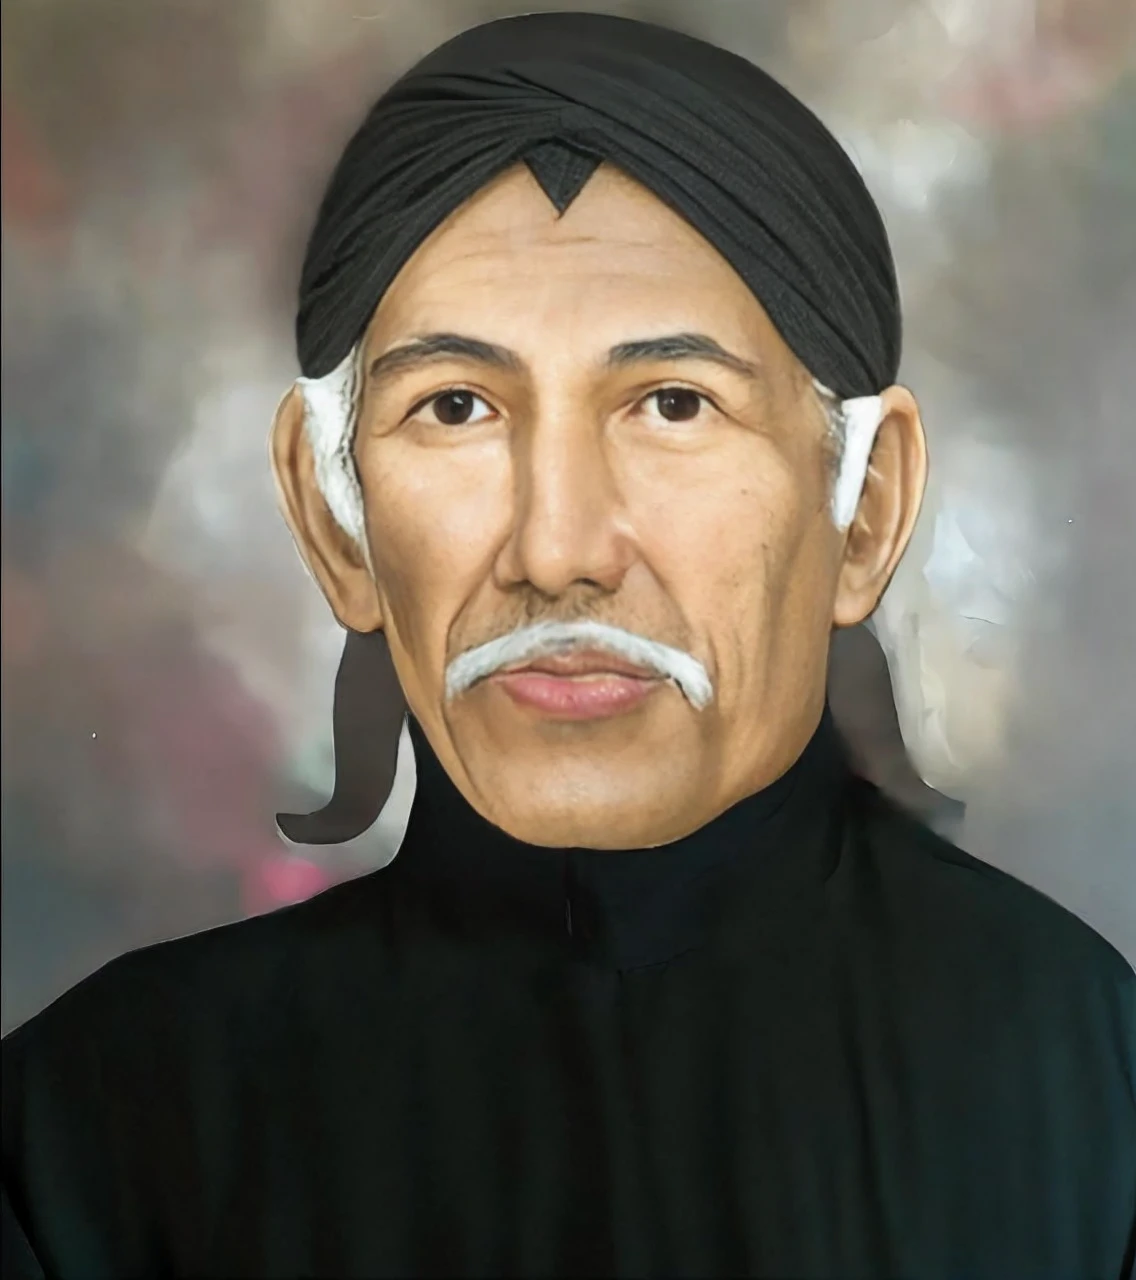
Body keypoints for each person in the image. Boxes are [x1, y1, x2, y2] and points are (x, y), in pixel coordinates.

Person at [2, 13, 1133, 1279]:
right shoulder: (88, 1139)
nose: (557, 549)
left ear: (863, 507)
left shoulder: (1100, 1096)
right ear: (332, 516)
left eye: (672, 404)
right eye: (455, 406)